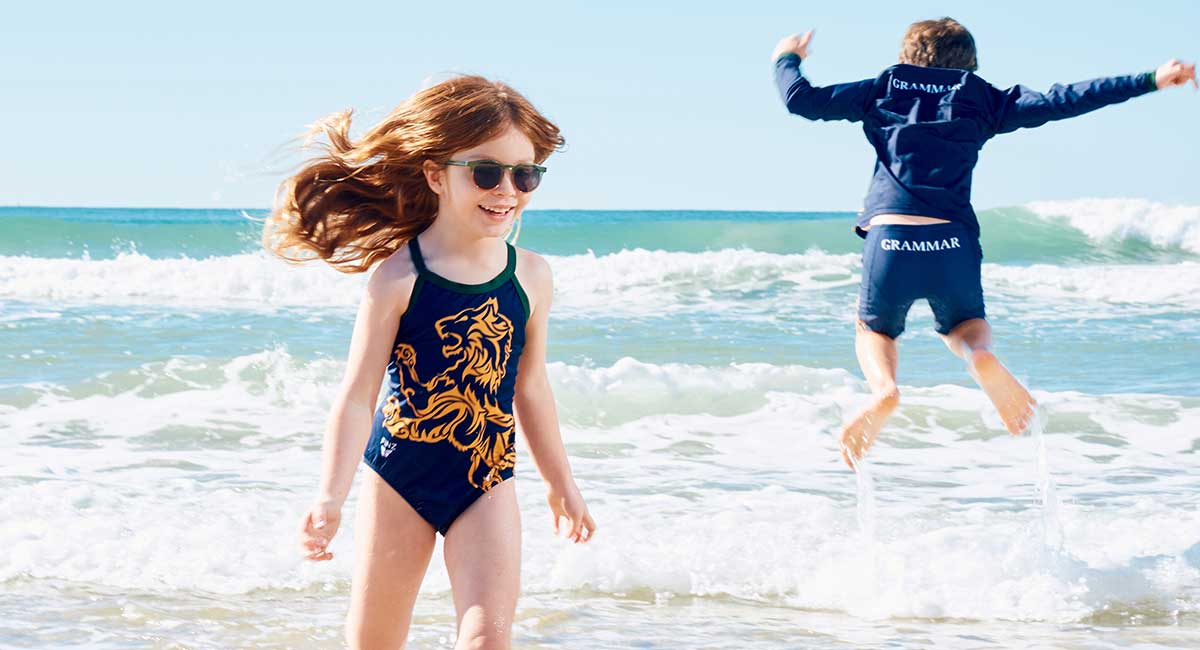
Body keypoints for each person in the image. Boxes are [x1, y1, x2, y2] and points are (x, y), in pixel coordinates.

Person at [771, 18, 1196, 469]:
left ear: (906, 56)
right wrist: (1151, 79)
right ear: (969, 62)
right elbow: (1065, 99)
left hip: (891, 235)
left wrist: (787, 57)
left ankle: (885, 391)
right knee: (965, 327)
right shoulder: (980, 96)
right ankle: (980, 357)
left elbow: (801, 101)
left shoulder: (883, 88)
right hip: (951, 237)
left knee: (874, 331)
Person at [265, 75, 597, 649]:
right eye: (487, 172)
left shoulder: (531, 277)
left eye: (525, 174)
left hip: (486, 477)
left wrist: (560, 483)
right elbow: (357, 395)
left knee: (488, 639)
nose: (507, 190)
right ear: (435, 174)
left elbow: (531, 387)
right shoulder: (398, 278)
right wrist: (330, 495)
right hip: (399, 476)